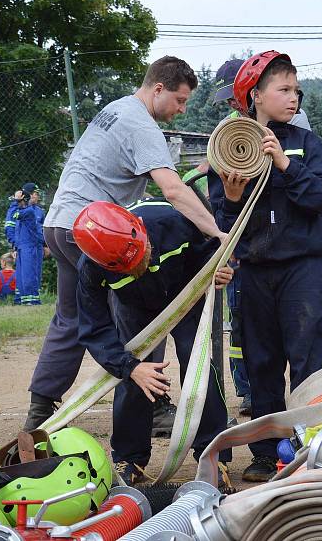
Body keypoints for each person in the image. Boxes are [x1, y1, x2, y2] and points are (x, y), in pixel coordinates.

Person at [23, 56, 226, 432]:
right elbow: (171, 190)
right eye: (180, 101)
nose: (181, 110)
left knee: (70, 318)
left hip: (61, 223)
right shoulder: (142, 126)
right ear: (158, 89)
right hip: (96, 232)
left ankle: (41, 409)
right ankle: (153, 403)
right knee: (145, 307)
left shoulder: (116, 109)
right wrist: (217, 233)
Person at [207, 51, 322, 481]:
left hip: (302, 267)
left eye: (296, 90)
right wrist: (229, 198)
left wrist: (284, 163)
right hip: (254, 269)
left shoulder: (304, 143)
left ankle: (314, 444)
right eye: (283, 90)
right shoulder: (228, 146)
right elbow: (220, 225)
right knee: (261, 362)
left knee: (310, 355)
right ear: (255, 96)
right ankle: (266, 452)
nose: (293, 97)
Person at [73, 199, 234, 486]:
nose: (142, 265)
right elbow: (94, 328)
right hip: (135, 309)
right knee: (136, 375)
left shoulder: (172, 222)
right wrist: (130, 367)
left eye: (142, 255)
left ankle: (213, 454)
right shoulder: (91, 268)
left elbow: (208, 253)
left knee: (197, 364)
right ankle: (129, 458)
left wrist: (217, 272)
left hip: (185, 296)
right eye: (130, 267)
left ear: (140, 231)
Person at [12, 183, 46, 305]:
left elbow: (42, 230)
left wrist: (45, 245)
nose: (38, 197)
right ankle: (24, 299)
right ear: (30, 195)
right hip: (24, 245)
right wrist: (14, 246)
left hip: (34, 245)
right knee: (24, 273)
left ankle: (31, 299)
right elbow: (14, 227)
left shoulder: (34, 211)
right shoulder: (26, 210)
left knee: (31, 273)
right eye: (36, 194)